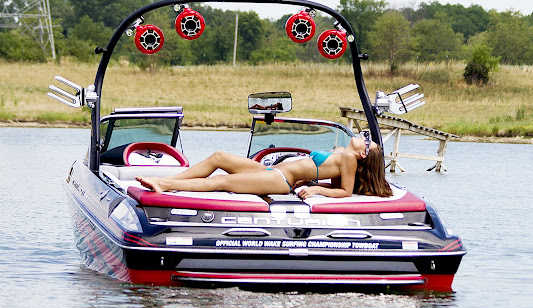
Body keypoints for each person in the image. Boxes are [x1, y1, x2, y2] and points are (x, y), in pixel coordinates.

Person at [135, 134, 393, 199]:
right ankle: (174, 179)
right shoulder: (343, 156)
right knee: (218, 157)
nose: (363, 136)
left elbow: (345, 191)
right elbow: (334, 181)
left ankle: (164, 184)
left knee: (222, 182)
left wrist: (315, 189)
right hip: (274, 172)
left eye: (366, 141)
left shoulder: (349, 159)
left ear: (362, 154)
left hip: (280, 180)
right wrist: (312, 181)